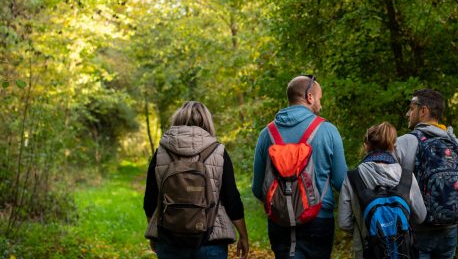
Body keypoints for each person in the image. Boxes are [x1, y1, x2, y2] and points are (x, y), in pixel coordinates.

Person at [252, 75, 348, 258]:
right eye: (319, 99)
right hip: (319, 219)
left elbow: (258, 189)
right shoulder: (328, 131)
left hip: (279, 223)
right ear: (310, 97)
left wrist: (284, 205)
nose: (320, 104)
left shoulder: (266, 134)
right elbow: (341, 182)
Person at [143, 101, 249, 259]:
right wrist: (243, 236)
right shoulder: (218, 151)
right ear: (207, 122)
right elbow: (231, 199)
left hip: (169, 238)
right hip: (211, 238)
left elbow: (150, 200)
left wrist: (154, 233)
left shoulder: (160, 152)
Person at [396, 89, 458, 259]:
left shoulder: (403, 143)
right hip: (449, 230)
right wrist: (453, 197)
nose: (407, 113)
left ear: (423, 110)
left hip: (417, 228)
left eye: (411, 108)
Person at [338, 122, 426, 259]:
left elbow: (344, 223)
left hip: (366, 251)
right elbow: (421, 216)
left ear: (366, 146)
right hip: (402, 251)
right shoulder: (407, 177)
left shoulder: (352, 177)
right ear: (393, 146)